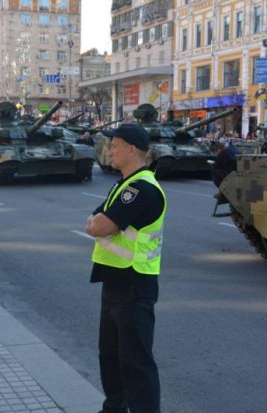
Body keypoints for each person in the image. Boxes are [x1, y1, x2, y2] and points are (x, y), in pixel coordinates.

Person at [85, 123, 166, 413]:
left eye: (115, 145)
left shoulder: (141, 188)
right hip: (115, 282)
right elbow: (99, 218)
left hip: (134, 284)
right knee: (110, 357)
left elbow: (100, 224)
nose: (110, 150)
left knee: (135, 362)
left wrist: (97, 222)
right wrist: (98, 220)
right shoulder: (123, 184)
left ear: (131, 149)